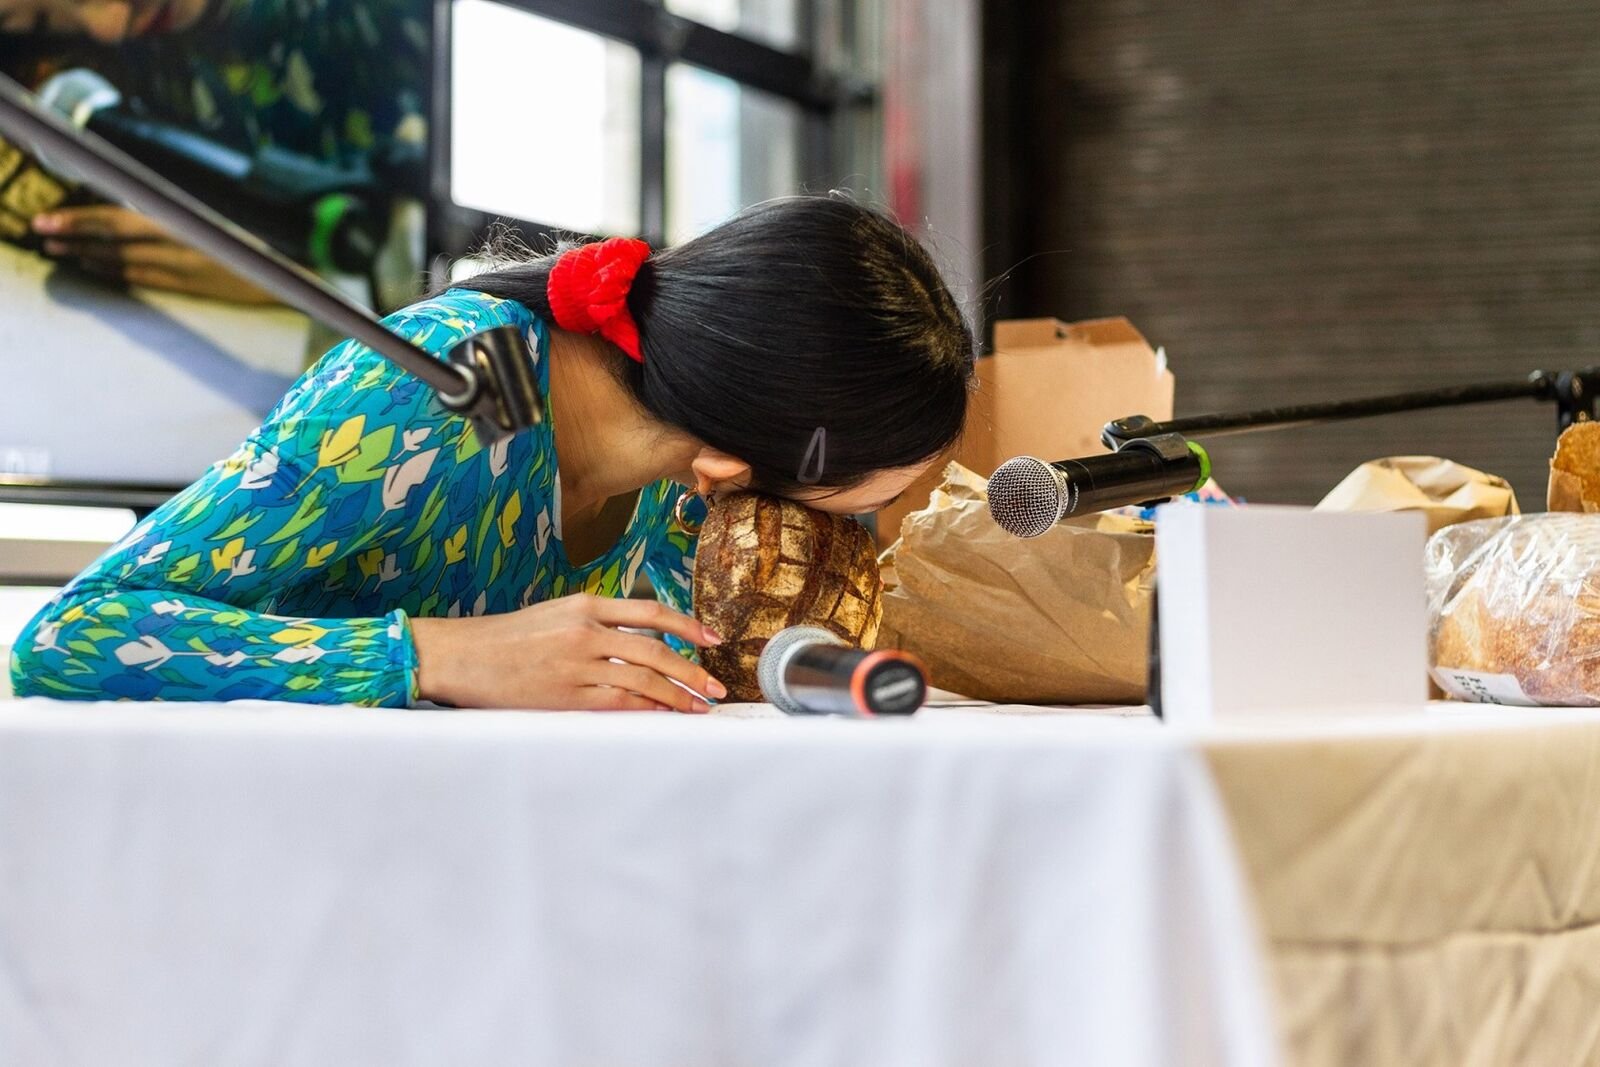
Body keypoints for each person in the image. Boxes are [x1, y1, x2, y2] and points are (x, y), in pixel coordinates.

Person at [9, 196, 976, 711]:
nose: (842, 539)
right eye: (846, 509)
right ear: (731, 464)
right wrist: (430, 656)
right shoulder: (462, 389)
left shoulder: (690, 494)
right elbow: (71, 638)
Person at [1, 0, 429, 306]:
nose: (110, 24)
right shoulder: (146, 88)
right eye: (43, 22)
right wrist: (289, 278)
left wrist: (288, 280)